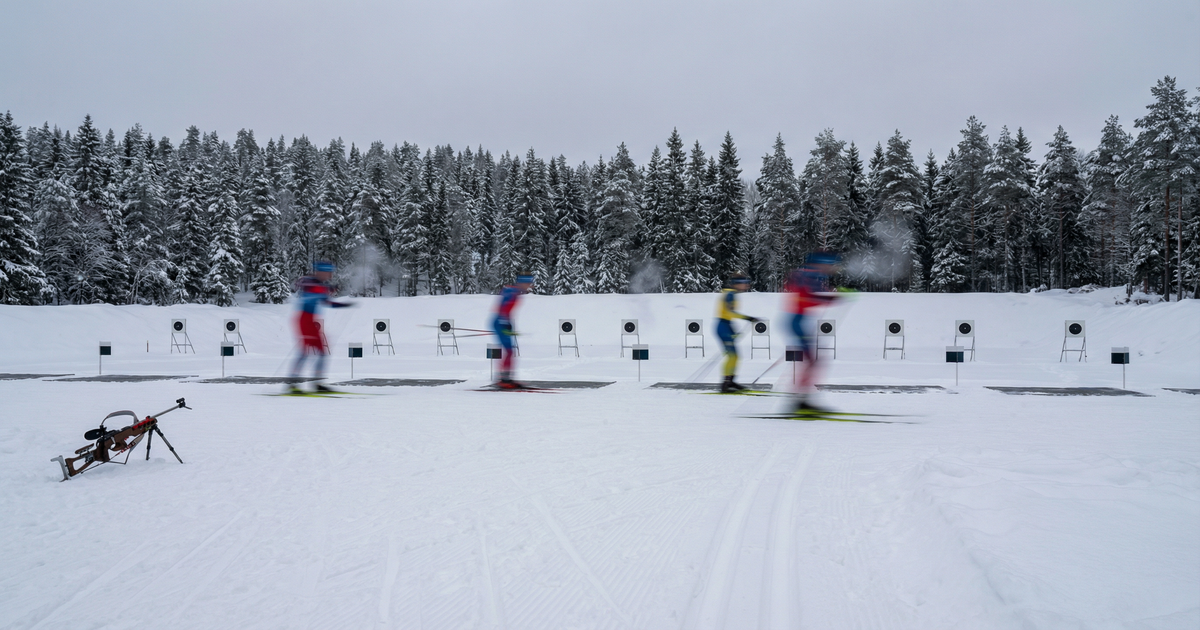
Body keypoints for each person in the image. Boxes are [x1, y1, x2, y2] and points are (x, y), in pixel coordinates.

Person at [784, 252, 842, 412]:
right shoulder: (808, 275)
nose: (832, 269)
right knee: (812, 361)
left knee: (812, 361)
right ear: (823, 263)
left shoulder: (810, 275)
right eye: (831, 265)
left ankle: (801, 400)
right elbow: (806, 298)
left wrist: (830, 297)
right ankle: (800, 401)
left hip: (798, 321)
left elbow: (809, 297)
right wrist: (832, 298)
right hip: (797, 322)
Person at [288, 261, 352, 393]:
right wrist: (327, 290)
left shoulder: (318, 285)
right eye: (328, 273)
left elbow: (327, 302)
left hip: (311, 320)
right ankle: (292, 384)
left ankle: (318, 383)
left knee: (322, 352)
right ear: (321, 272)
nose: (329, 276)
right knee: (305, 352)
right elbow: (306, 287)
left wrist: (344, 305)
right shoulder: (309, 282)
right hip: (304, 320)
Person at [715, 273, 762, 393]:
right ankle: (726, 384)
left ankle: (729, 381)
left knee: (735, 356)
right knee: (732, 356)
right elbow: (730, 313)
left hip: (725, 325)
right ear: (737, 284)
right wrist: (748, 318)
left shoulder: (731, 293)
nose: (747, 285)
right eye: (744, 283)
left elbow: (727, 314)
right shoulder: (730, 294)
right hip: (723, 326)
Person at [492, 274, 534, 388]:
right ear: (522, 283)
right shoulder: (513, 293)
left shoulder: (513, 292)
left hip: (502, 323)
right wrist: (504, 324)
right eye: (529, 283)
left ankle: (506, 378)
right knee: (509, 351)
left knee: (509, 352)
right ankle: (505, 379)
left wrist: (508, 325)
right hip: (500, 323)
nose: (531, 286)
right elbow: (502, 308)